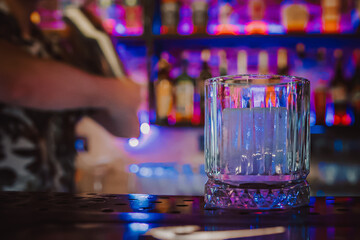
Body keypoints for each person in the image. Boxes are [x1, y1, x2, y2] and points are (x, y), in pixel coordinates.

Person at [0, 0, 140, 192]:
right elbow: (17, 83)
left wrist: (97, 38)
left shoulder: (51, 47)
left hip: (54, 213)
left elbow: (127, 127)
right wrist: (110, 91)